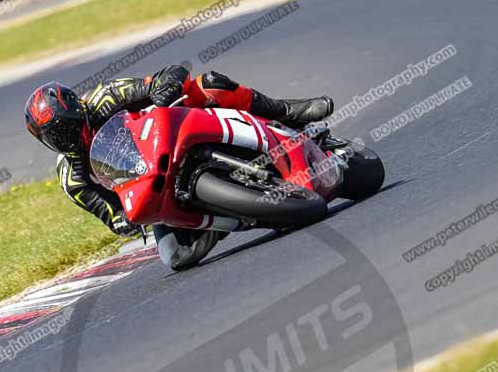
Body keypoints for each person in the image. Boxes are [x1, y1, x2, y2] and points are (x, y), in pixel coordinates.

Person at [25, 64, 333, 270]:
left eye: (65, 128)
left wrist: (162, 92)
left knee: (209, 84)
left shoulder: (106, 97)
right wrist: (121, 221)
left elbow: (170, 74)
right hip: (154, 186)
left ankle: (290, 112)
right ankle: (230, 217)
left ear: (78, 109)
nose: (64, 138)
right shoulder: (72, 177)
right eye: (54, 137)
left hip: (172, 137)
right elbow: (108, 213)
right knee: (175, 257)